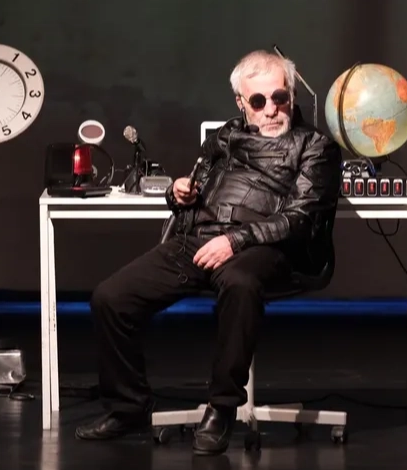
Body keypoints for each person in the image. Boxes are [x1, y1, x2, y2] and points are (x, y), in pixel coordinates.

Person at [75, 50, 343, 455]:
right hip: (199, 238)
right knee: (110, 298)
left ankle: (222, 407)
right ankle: (128, 406)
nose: (271, 110)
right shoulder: (224, 137)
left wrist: (236, 240)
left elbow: (301, 218)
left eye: (280, 97)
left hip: (267, 246)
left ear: (291, 95)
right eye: (259, 101)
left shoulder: (315, 146)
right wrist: (178, 192)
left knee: (240, 283)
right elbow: (197, 182)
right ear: (241, 103)